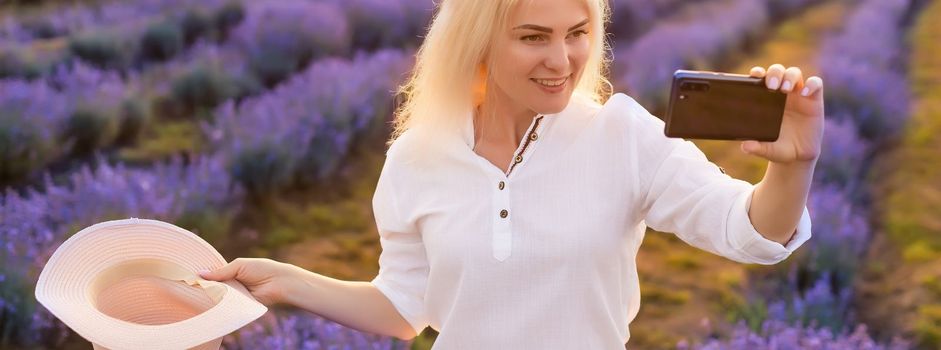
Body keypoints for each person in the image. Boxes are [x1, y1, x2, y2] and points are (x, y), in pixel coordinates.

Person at [199, 0, 823, 347]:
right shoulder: (416, 158)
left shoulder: (623, 135)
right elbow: (405, 307)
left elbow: (750, 234)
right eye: (533, 37)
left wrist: (795, 167)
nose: (562, 60)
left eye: (578, 33)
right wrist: (286, 282)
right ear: (478, 45)